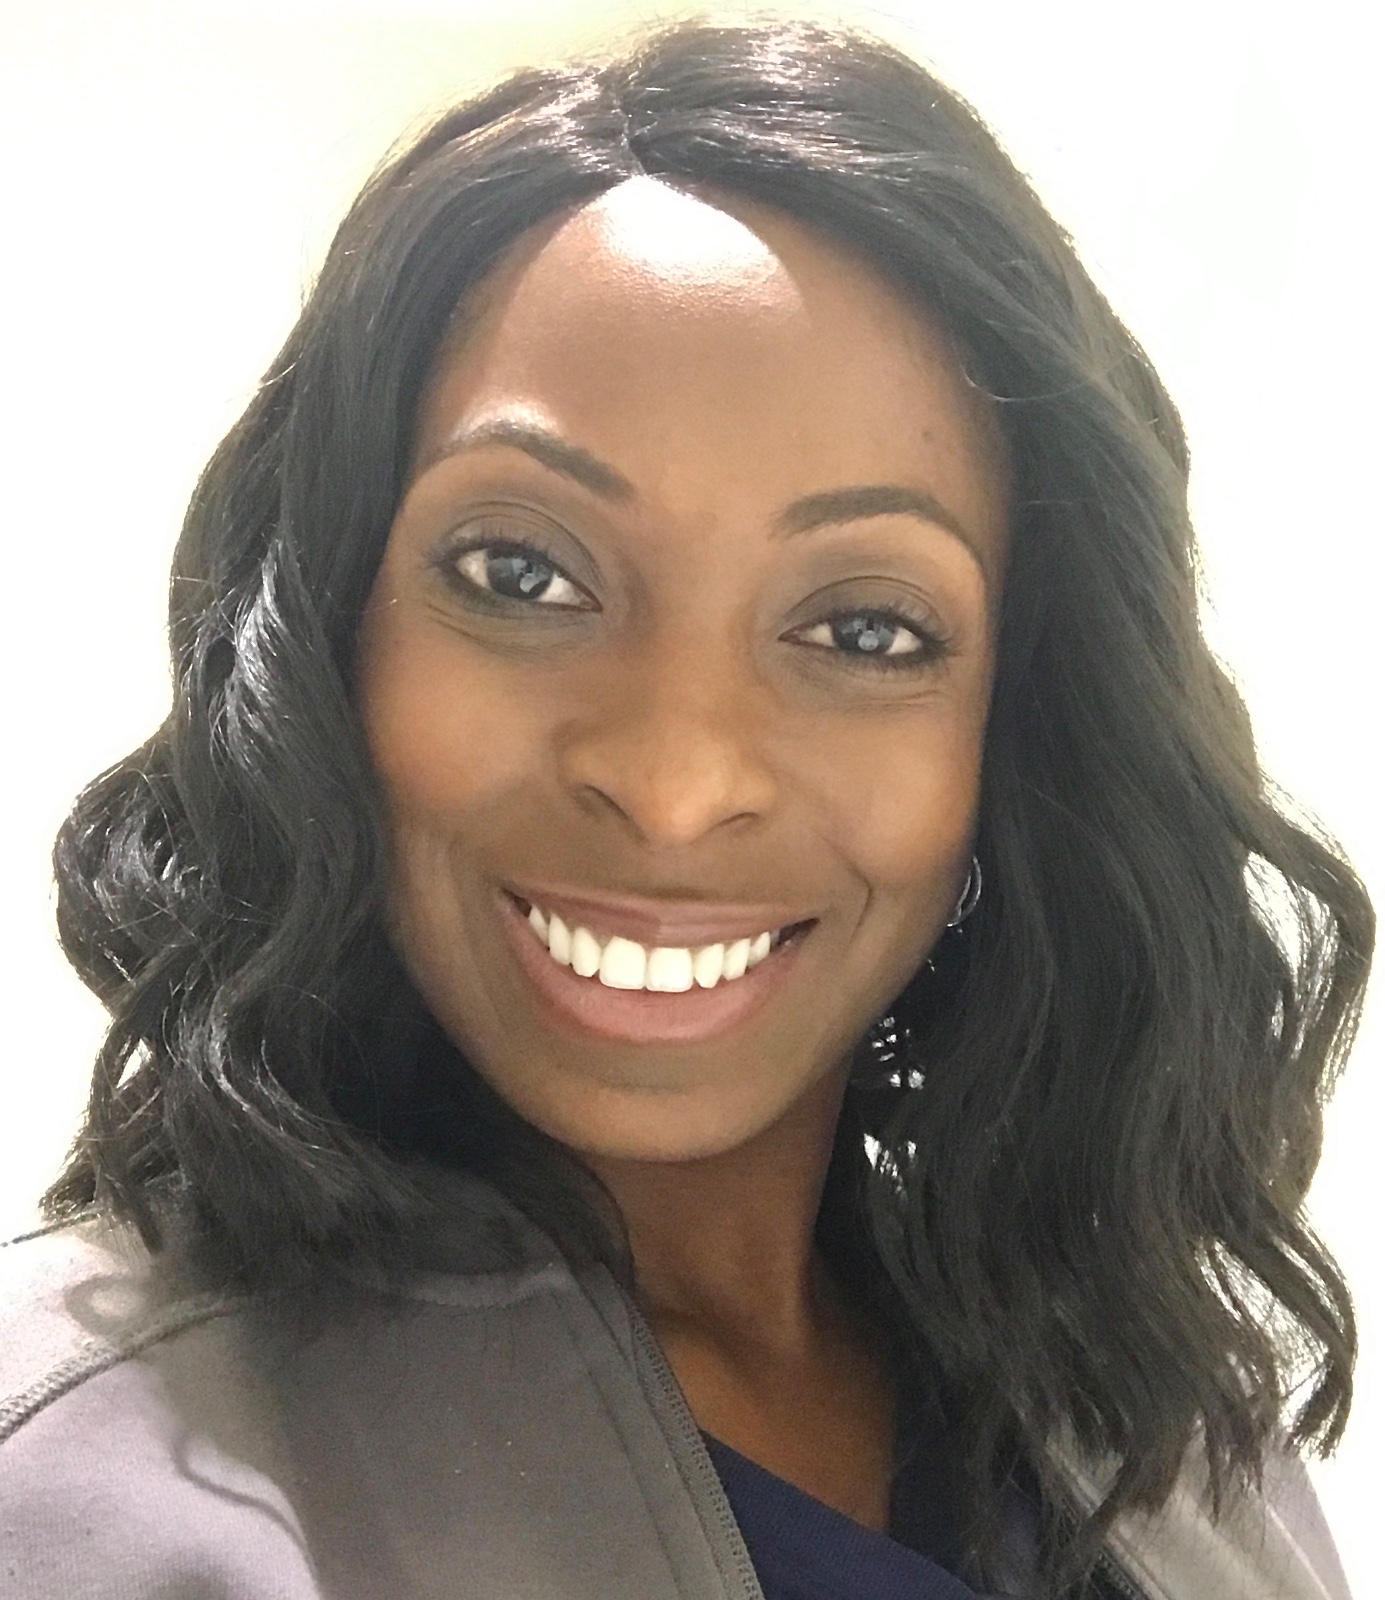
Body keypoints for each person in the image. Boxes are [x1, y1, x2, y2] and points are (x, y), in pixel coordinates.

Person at [0, 19, 1371, 1600]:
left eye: (864, 630)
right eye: (521, 573)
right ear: (322, 635)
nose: (671, 783)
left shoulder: (1156, 1411)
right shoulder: (77, 1487)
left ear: (1017, 733)